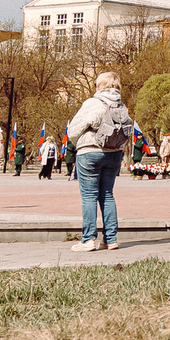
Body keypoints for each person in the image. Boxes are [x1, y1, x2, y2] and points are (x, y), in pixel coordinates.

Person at [66, 72, 133, 252]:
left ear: (99, 86)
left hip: (90, 152)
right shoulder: (122, 105)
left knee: (89, 196)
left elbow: (73, 129)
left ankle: (88, 239)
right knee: (107, 195)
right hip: (114, 154)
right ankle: (110, 239)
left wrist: (76, 141)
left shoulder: (93, 103)